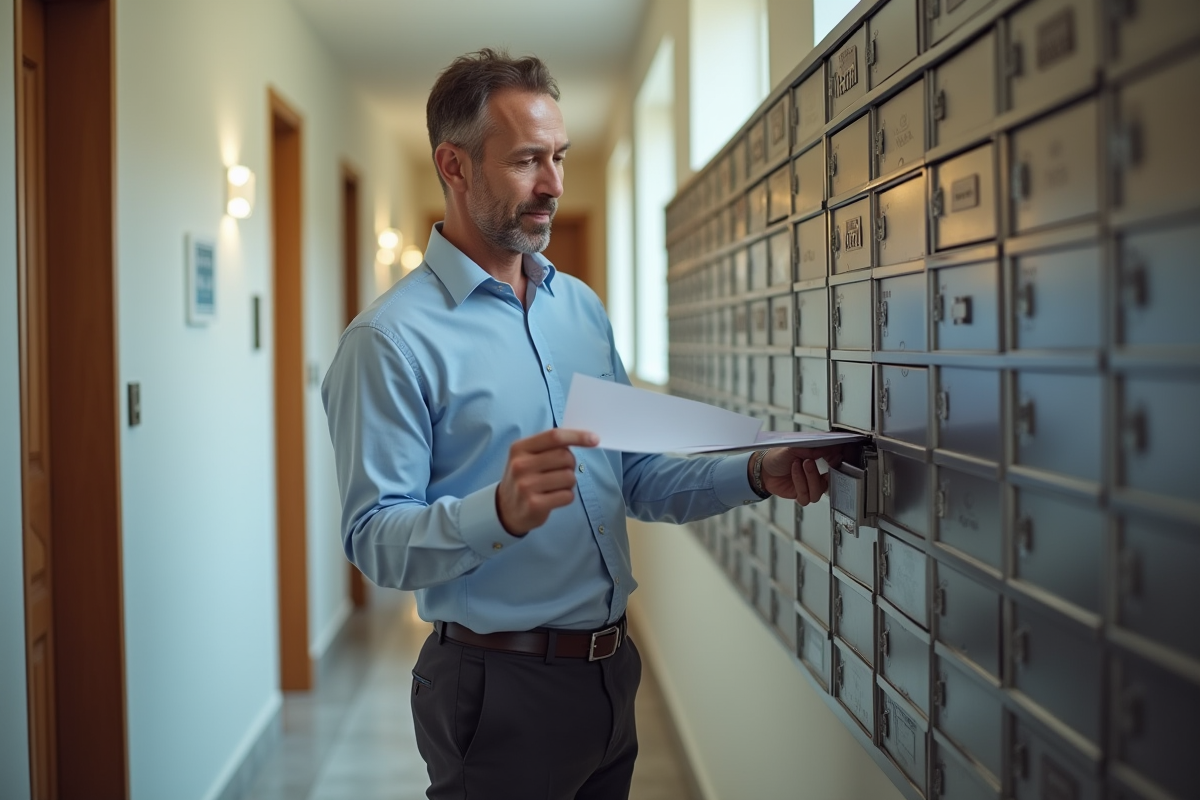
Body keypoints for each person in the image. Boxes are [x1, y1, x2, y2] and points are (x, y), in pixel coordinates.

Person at [322, 48, 845, 800]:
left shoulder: (581, 310)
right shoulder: (390, 342)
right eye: (528, 161)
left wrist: (755, 470)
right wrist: (495, 512)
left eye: (560, 158)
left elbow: (633, 477)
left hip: (607, 674)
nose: (554, 185)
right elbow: (374, 540)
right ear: (455, 165)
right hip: (494, 689)